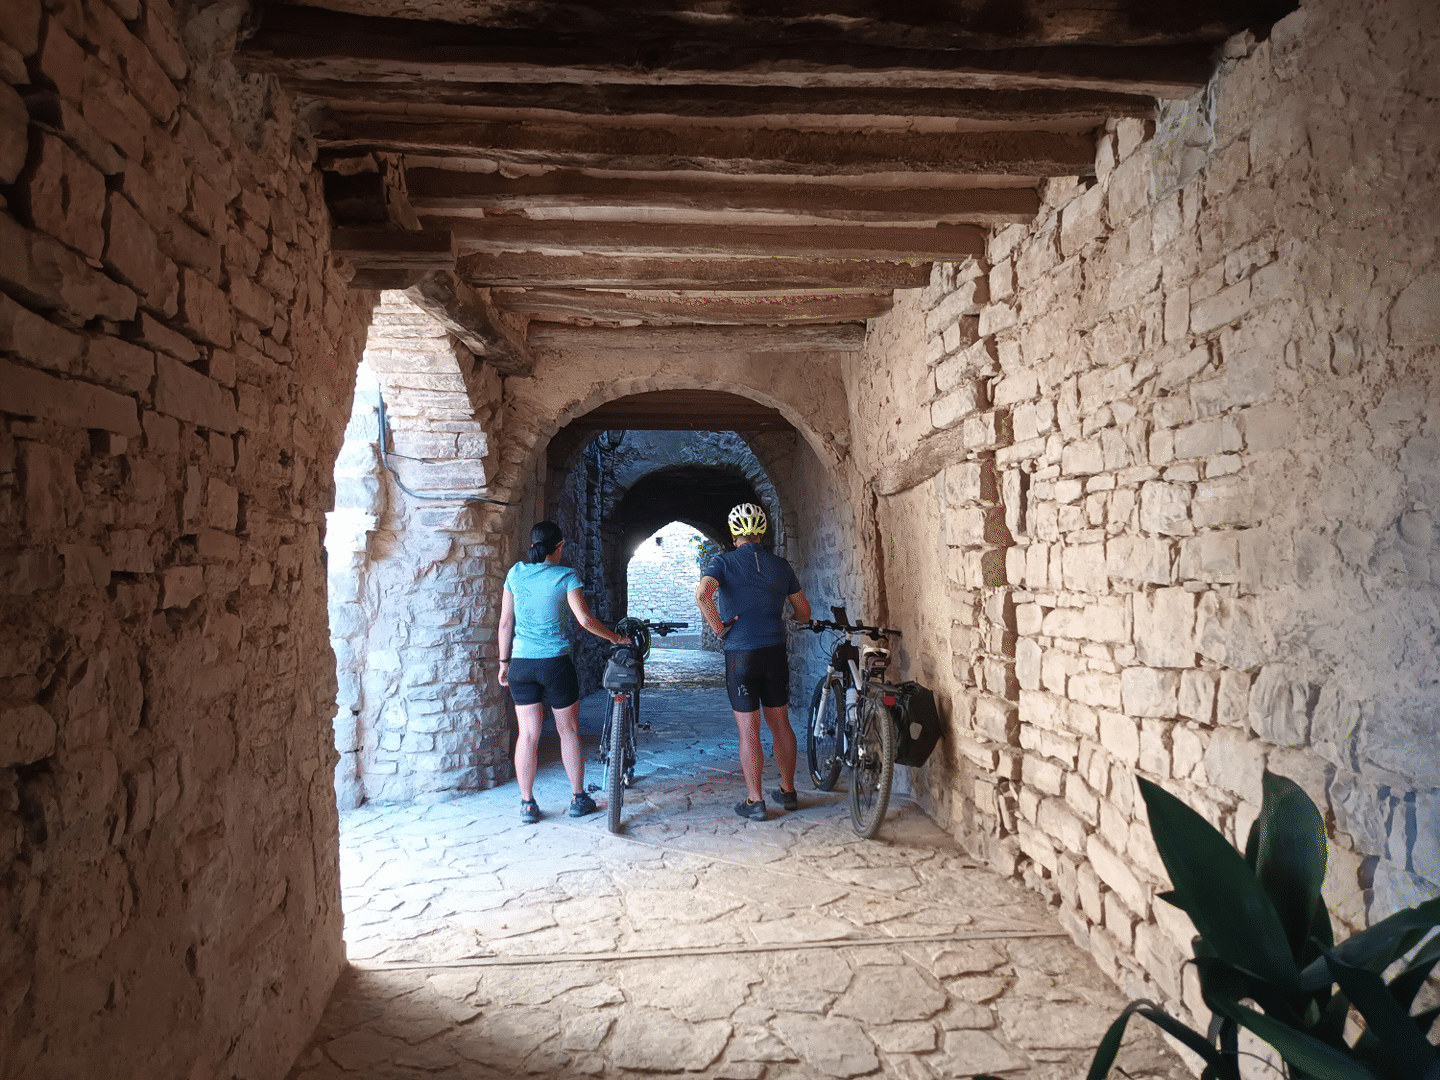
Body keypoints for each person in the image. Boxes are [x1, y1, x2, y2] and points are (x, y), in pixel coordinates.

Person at [498, 520, 630, 824]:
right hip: (555, 663)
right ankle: (577, 798)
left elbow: (506, 623)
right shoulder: (566, 576)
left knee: (527, 734)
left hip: (521, 663)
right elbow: (584, 620)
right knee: (568, 731)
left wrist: (504, 663)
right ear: (558, 547)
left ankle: (527, 804)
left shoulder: (515, 574)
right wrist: (616, 638)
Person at [695, 503, 812, 821]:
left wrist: (720, 629)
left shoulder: (722, 562)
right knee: (781, 724)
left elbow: (703, 595)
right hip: (774, 652)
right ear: (762, 533)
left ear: (734, 534)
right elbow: (804, 610)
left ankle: (756, 800)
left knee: (749, 730)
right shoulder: (780, 565)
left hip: (741, 655)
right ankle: (788, 791)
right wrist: (795, 619)